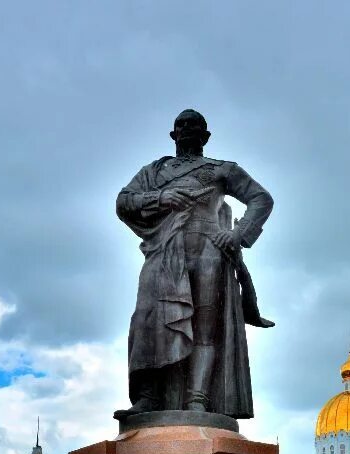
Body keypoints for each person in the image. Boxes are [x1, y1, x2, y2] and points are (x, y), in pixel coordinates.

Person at [114, 109, 274, 419]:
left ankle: (198, 399)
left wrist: (238, 235)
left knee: (204, 329)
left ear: (206, 136)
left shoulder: (222, 169)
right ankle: (148, 396)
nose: (187, 129)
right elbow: (123, 201)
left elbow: (261, 199)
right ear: (173, 134)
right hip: (165, 250)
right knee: (146, 320)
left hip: (209, 250)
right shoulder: (153, 172)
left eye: (194, 125)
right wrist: (162, 199)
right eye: (180, 125)